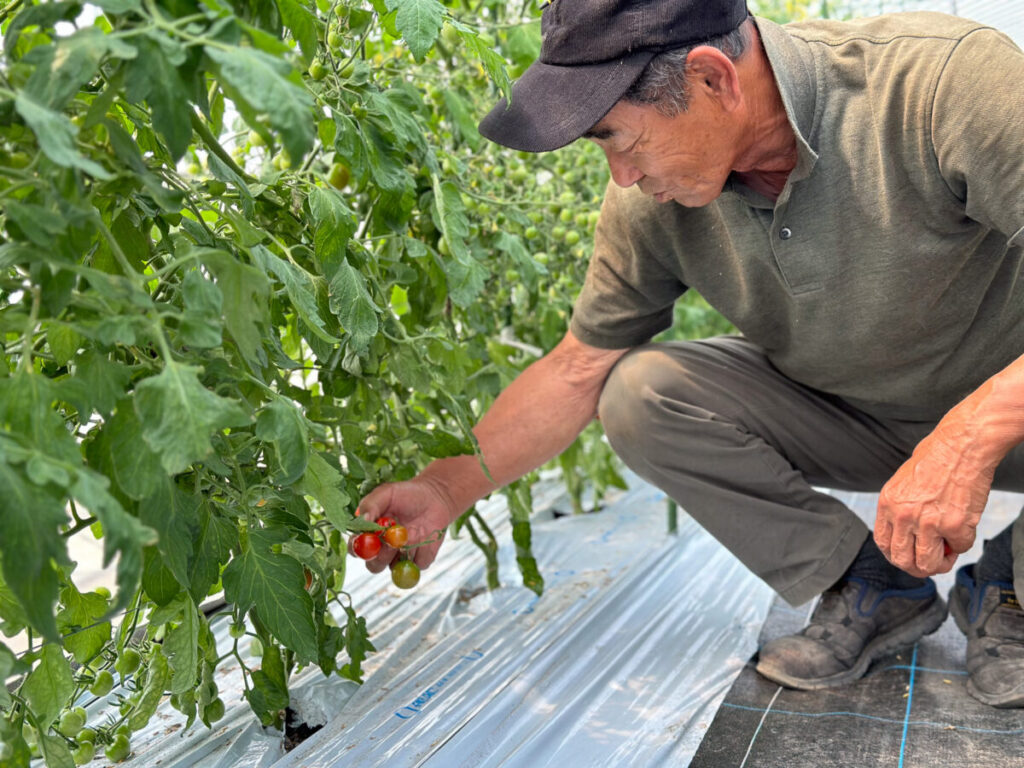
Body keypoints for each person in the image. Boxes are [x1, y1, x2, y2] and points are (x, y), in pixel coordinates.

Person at [357, 0, 1024, 707]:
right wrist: (442, 490)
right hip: (853, 417)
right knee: (640, 392)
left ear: (713, 79)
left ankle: (1011, 583)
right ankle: (872, 585)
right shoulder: (655, 204)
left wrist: (973, 432)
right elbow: (577, 367)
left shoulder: (941, 86)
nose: (619, 175)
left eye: (620, 139)